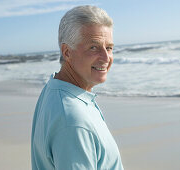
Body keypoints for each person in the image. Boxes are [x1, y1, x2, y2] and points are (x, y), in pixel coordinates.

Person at [31, 5, 124, 170]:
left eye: (109, 48)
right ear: (67, 52)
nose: (106, 58)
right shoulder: (73, 120)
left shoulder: (55, 88)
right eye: (93, 47)